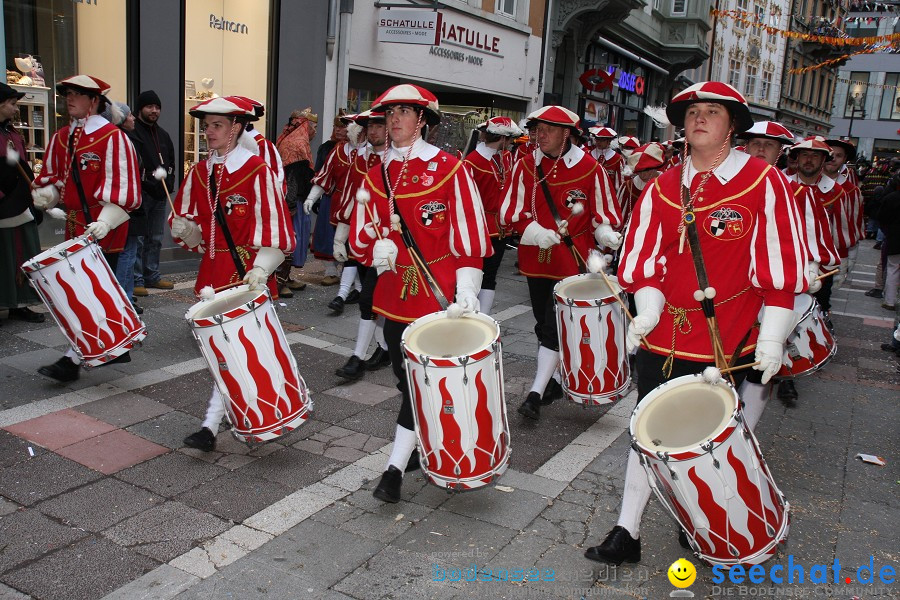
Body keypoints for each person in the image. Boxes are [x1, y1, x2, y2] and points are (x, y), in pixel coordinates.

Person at [585, 82, 806, 566]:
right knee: (647, 429)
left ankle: (705, 521)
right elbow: (644, 259)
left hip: (725, 337)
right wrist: (646, 309)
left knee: (706, 440)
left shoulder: (764, 182)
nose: (698, 119)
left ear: (732, 126)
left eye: (711, 112)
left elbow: (779, 268)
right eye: (691, 113)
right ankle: (628, 530)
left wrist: (771, 337)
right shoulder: (664, 185)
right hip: (664, 333)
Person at [346, 83, 492, 503]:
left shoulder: (450, 167)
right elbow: (359, 238)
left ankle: (393, 469)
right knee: (401, 377)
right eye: (390, 113)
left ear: (423, 119)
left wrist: (466, 290)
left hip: (436, 297)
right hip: (393, 297)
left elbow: (468, 236)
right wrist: (375, 248)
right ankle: (420, 439)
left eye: (405, 112)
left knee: (418, 381)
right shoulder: (374, 176)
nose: (394, 120)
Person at [173, 96, 294, 452]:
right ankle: (227, 417)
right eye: (206, 125)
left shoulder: (257, 169)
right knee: (221, 348)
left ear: (237, 127)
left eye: (217, 125)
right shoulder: (198, 172)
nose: (208, 132)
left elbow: (278, 230)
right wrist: (186, 230)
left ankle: (213, 424)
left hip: (246, 269)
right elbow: (197, 230)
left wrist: (260, 269)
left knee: (234, 348)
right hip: (213, 267)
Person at [499, 105, 623, 421]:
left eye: (548, 129)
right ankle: (554, 379)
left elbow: (603, 212)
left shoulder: (590, 168)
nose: (540, 135)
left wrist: (605, 232)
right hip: (536, 257)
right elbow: (509, 212)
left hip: (572, 259)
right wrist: (535, 231)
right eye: (538, 129)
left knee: (554, 324)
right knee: (543, 323)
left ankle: (535, 394)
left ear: (566, 133)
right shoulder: (525, 166)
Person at [32, 75, 141, 382]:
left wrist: (105, 221)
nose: (70, 98)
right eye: (68, 93)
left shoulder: (113, 137)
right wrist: (47, 194)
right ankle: (117, 344)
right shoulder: (62, 136)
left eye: (78, 94)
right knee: (87, 290)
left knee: (90, 290)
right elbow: (55, 178)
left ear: (94, 101)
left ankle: (71, 360)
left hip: (106, 223)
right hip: (75, 222)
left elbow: (125, 188)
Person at [332, 109, 392, 379]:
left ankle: (357, 357)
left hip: (392, 247)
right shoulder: (362, 158)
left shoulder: (399, 161)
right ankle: (384, 348)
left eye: (380, 125)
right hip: (364, 243)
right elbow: (351, 198)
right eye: (370, 127)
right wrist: (341, 237)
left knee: (370, 300)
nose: (374, 131)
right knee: (375, 302)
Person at [463, 116, 523, 315]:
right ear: (502, 139)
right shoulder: (471, 162)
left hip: (499, 229)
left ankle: (484, 317)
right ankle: (467, 313)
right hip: (477, 228)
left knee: (490, 274)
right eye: (510, 140)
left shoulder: (503, 157)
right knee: (472, 274)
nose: (511, 144)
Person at [0, 82, 45, 324]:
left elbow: (23, 167)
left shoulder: (13, 133)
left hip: (20, 203)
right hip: (3, 205)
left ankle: (21, 303)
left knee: (24, 253)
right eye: (12, 104)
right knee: (3, 256)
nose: (16, 109)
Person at [102, 100, 147, 315]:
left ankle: (125, 296)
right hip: (125, 210)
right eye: (129, 115)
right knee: (126, 255)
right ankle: (123, 298)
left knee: (127, 255)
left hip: (130, 209)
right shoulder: (118, 141)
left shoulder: (125, 139)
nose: (133, 118)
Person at [130, 90, 175, 297]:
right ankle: (137, 278)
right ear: (140, 108)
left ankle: (152, 275)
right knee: (138, 238)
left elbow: (171, 162)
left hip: (159, 193)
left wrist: (170, 183)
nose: (154, 111)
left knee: (155, 237)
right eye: (149, 107)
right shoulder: (133, 132)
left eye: (157, 107)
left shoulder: (163, 135)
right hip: (141, 192)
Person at [306, 113, 351, 286]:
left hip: (351, 198)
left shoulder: (360, 150)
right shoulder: (327, 148)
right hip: (330, 197)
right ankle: (331, 270)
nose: (339, 131)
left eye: (343, 127)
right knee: (327, 236)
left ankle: (349, 273)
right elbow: (319, 172)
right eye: (336, 127)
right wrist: (315, 198)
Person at [275, 107, 318, 292]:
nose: (314, 130)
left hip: (294, 199)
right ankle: (280, 281)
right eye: (313, 126)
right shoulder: (297, 144)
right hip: (292, 201)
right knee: (291, 239)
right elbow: (291, 177)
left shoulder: (288, 139)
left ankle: (287, 276)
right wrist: (291, 203)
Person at [617, 141, 665, 229]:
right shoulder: (628, 186)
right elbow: (619, 214)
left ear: (655, 167)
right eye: (639, 171)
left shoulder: (666, 185)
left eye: (646, 170)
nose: (642, 175)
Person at [588, 126, 625, 192]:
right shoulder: (588, 155)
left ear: (609, 141)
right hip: (591, 191)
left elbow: (620, 181)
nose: (599, 142)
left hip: (609, 194)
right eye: (597, 139)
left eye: (602, 140)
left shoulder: (617, 158)